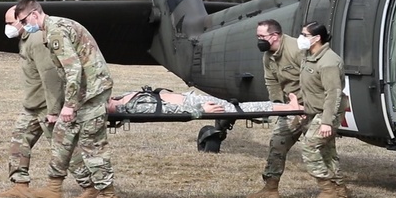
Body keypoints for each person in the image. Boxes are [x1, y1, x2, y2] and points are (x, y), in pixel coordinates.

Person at [16, 0, 120, 198]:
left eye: (25, 21)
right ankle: (53, 189)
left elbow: (73, 69)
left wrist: (69, 105)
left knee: (92, 143)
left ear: (35, 14)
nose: (25, 26)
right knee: (61, 136)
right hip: (83, 93)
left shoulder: (55, 31)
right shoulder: (53, 27)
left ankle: (108, 195)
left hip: (91, 94)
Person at [0, 5, 64, 198]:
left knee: (63, 148)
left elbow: (50, 76)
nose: (7, 27)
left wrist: (54, 110)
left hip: (46, 106)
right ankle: (20, 184)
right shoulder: (25, 39)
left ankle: (92, 187)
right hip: (32, 106)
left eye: (10, 23)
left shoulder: (35, 40)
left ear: (22, 20)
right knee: (19, 140)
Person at [246, 19, 306, 198]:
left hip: (311, 106)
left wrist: (307, 107)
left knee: (319, 149)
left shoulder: (297, 49)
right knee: (277, 143)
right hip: (291, 108)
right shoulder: (268, 56)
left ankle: (335, 190)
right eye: (257, 36)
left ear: (274, 36)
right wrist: (279, 106)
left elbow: (312, 79)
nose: (259, 40)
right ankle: (270, 188)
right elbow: (271, 82)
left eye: (261, 36)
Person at [297, 21, 351, 198]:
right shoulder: (309, 56)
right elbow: (309, 87)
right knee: (328, 155)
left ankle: (328, 191)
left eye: (304, 34)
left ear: (316, 38)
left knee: (309, 146)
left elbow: (333, 93)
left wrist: (327, 122)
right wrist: (305, 110)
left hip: (327, 114)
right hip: (315, 112)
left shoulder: (328, 61)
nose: (301, 38)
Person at [106, 88, 302, 116]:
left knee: (237, 106)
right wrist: (200, 109)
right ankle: (290, 108)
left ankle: (289, 107)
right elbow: (170, 110)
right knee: (241, 108)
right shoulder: (130, 107)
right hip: (195, 103)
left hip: (191, 97)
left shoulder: (119, 98)